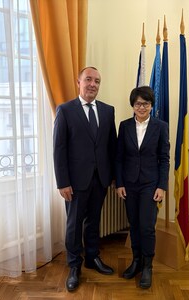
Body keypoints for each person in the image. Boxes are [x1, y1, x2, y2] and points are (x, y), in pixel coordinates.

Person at [53, 66, 117, 292]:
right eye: (88, 79)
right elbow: (59, 149)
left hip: (100, 180)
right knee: (73, 225)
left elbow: (112, 147)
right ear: (78, 82)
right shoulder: (65, 110)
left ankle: (92, 258)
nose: (93, 84)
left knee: (94, 221)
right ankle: (74, 266)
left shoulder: (108, 111)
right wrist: (62, 182)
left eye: (97, 81)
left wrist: (112, 177)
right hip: (75, 183)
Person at [115, 86, 170, 289]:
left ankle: (148, 266)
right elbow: (119, 159)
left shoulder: (160, 127)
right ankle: (136, 261)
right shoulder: (124, 126)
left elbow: (164, 159)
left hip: (150, 184)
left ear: (151, 105)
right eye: (138, 103)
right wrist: (119, 183)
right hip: (129, 185)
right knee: (135, 225)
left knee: (147, 227)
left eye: (146, 103)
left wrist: (161, 186)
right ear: (132, 105)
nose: (142, 107)